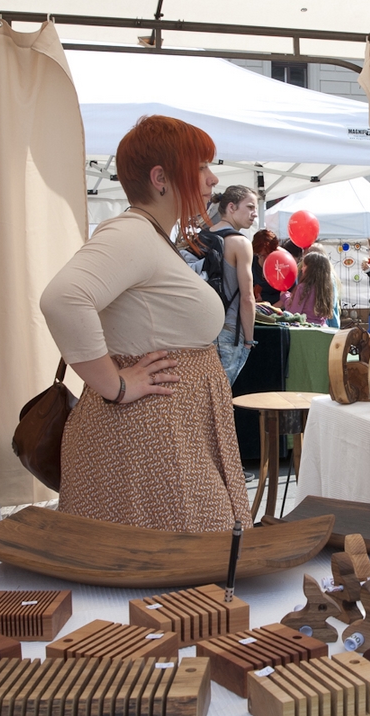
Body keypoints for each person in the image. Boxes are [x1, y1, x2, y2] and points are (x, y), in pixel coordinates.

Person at [40, 115, 252, 532]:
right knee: (184, 570)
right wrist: (115, 385)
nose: (212, 180)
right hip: (152, 437)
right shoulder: (132, 233)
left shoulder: (150, 236)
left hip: (165, 433)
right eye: (201, 167)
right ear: (161, 177)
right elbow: (63, 299)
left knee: (186, 571)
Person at [206, 186, 258, 385]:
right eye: (250, 207)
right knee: (222, 396)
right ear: (231, 207)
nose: (254, 213)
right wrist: (249, 340)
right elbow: (247, 297)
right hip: (228, 331)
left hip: (200, 329)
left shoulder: (200, 238)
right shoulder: (240, 243)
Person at [281, 251, 338, 326]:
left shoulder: (303, 288)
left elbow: (294, 313)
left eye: (304, 266)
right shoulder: (326, 289)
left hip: (305, 328)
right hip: (321, 327)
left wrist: (285, 296)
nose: (302, 269)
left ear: (311, 269)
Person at [251, 229, 282, 304]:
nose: (264, 258)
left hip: (278, 309)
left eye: (267, 254)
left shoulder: (283, 262)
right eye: (260, 255)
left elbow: (290, 294)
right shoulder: (252, 261)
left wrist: (271, 310)